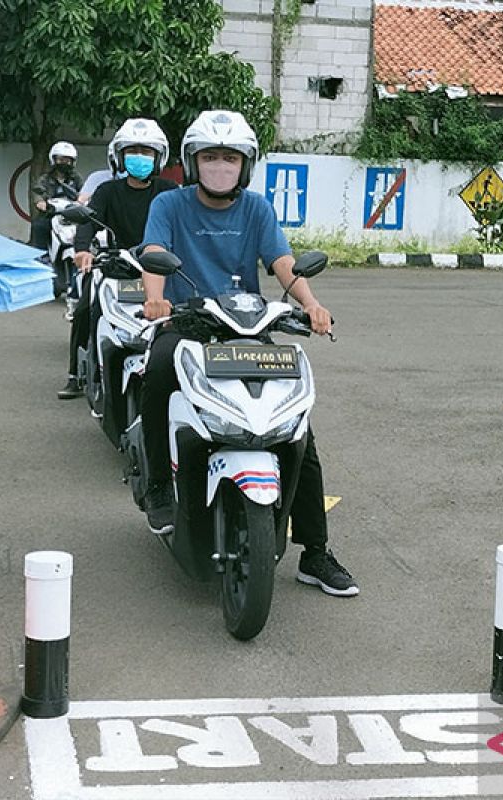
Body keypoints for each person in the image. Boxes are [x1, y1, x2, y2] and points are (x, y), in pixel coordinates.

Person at [139, 110, 357, 597]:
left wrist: (312, 305)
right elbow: (154, 252)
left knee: (296, 427)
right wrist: (155, 298)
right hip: (188, 324)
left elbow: (282, 262)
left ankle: (315, 553)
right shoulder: (170, 205)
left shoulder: (256, 209)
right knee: (157, 369)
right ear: (192, 162)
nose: (220, 166)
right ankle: (158, 484)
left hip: (245, 328)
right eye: (210, 157)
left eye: (230, 157)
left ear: (246, 164)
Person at [58, 118, 178, 400]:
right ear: (119, 156)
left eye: (147, 151)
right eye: (133, 150)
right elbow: (88, 222)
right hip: (117, 266)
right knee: (86, 308)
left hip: (161, 266)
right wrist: (83, 249)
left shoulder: (170, 192)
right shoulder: (107, 191)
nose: (140, 157)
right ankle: (76, 374)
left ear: (159, 157)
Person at [29, 140, 83, 251]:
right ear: (53, 160)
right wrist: (40, 202)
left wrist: (82, 201)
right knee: (39, 226)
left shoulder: (76, 178)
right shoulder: (45, 179)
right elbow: (37, 192)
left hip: (72, 214)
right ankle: (41, 255)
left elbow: (83, 192)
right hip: (51, 214)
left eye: (68, 160)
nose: (64, 163)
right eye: (61, 160)